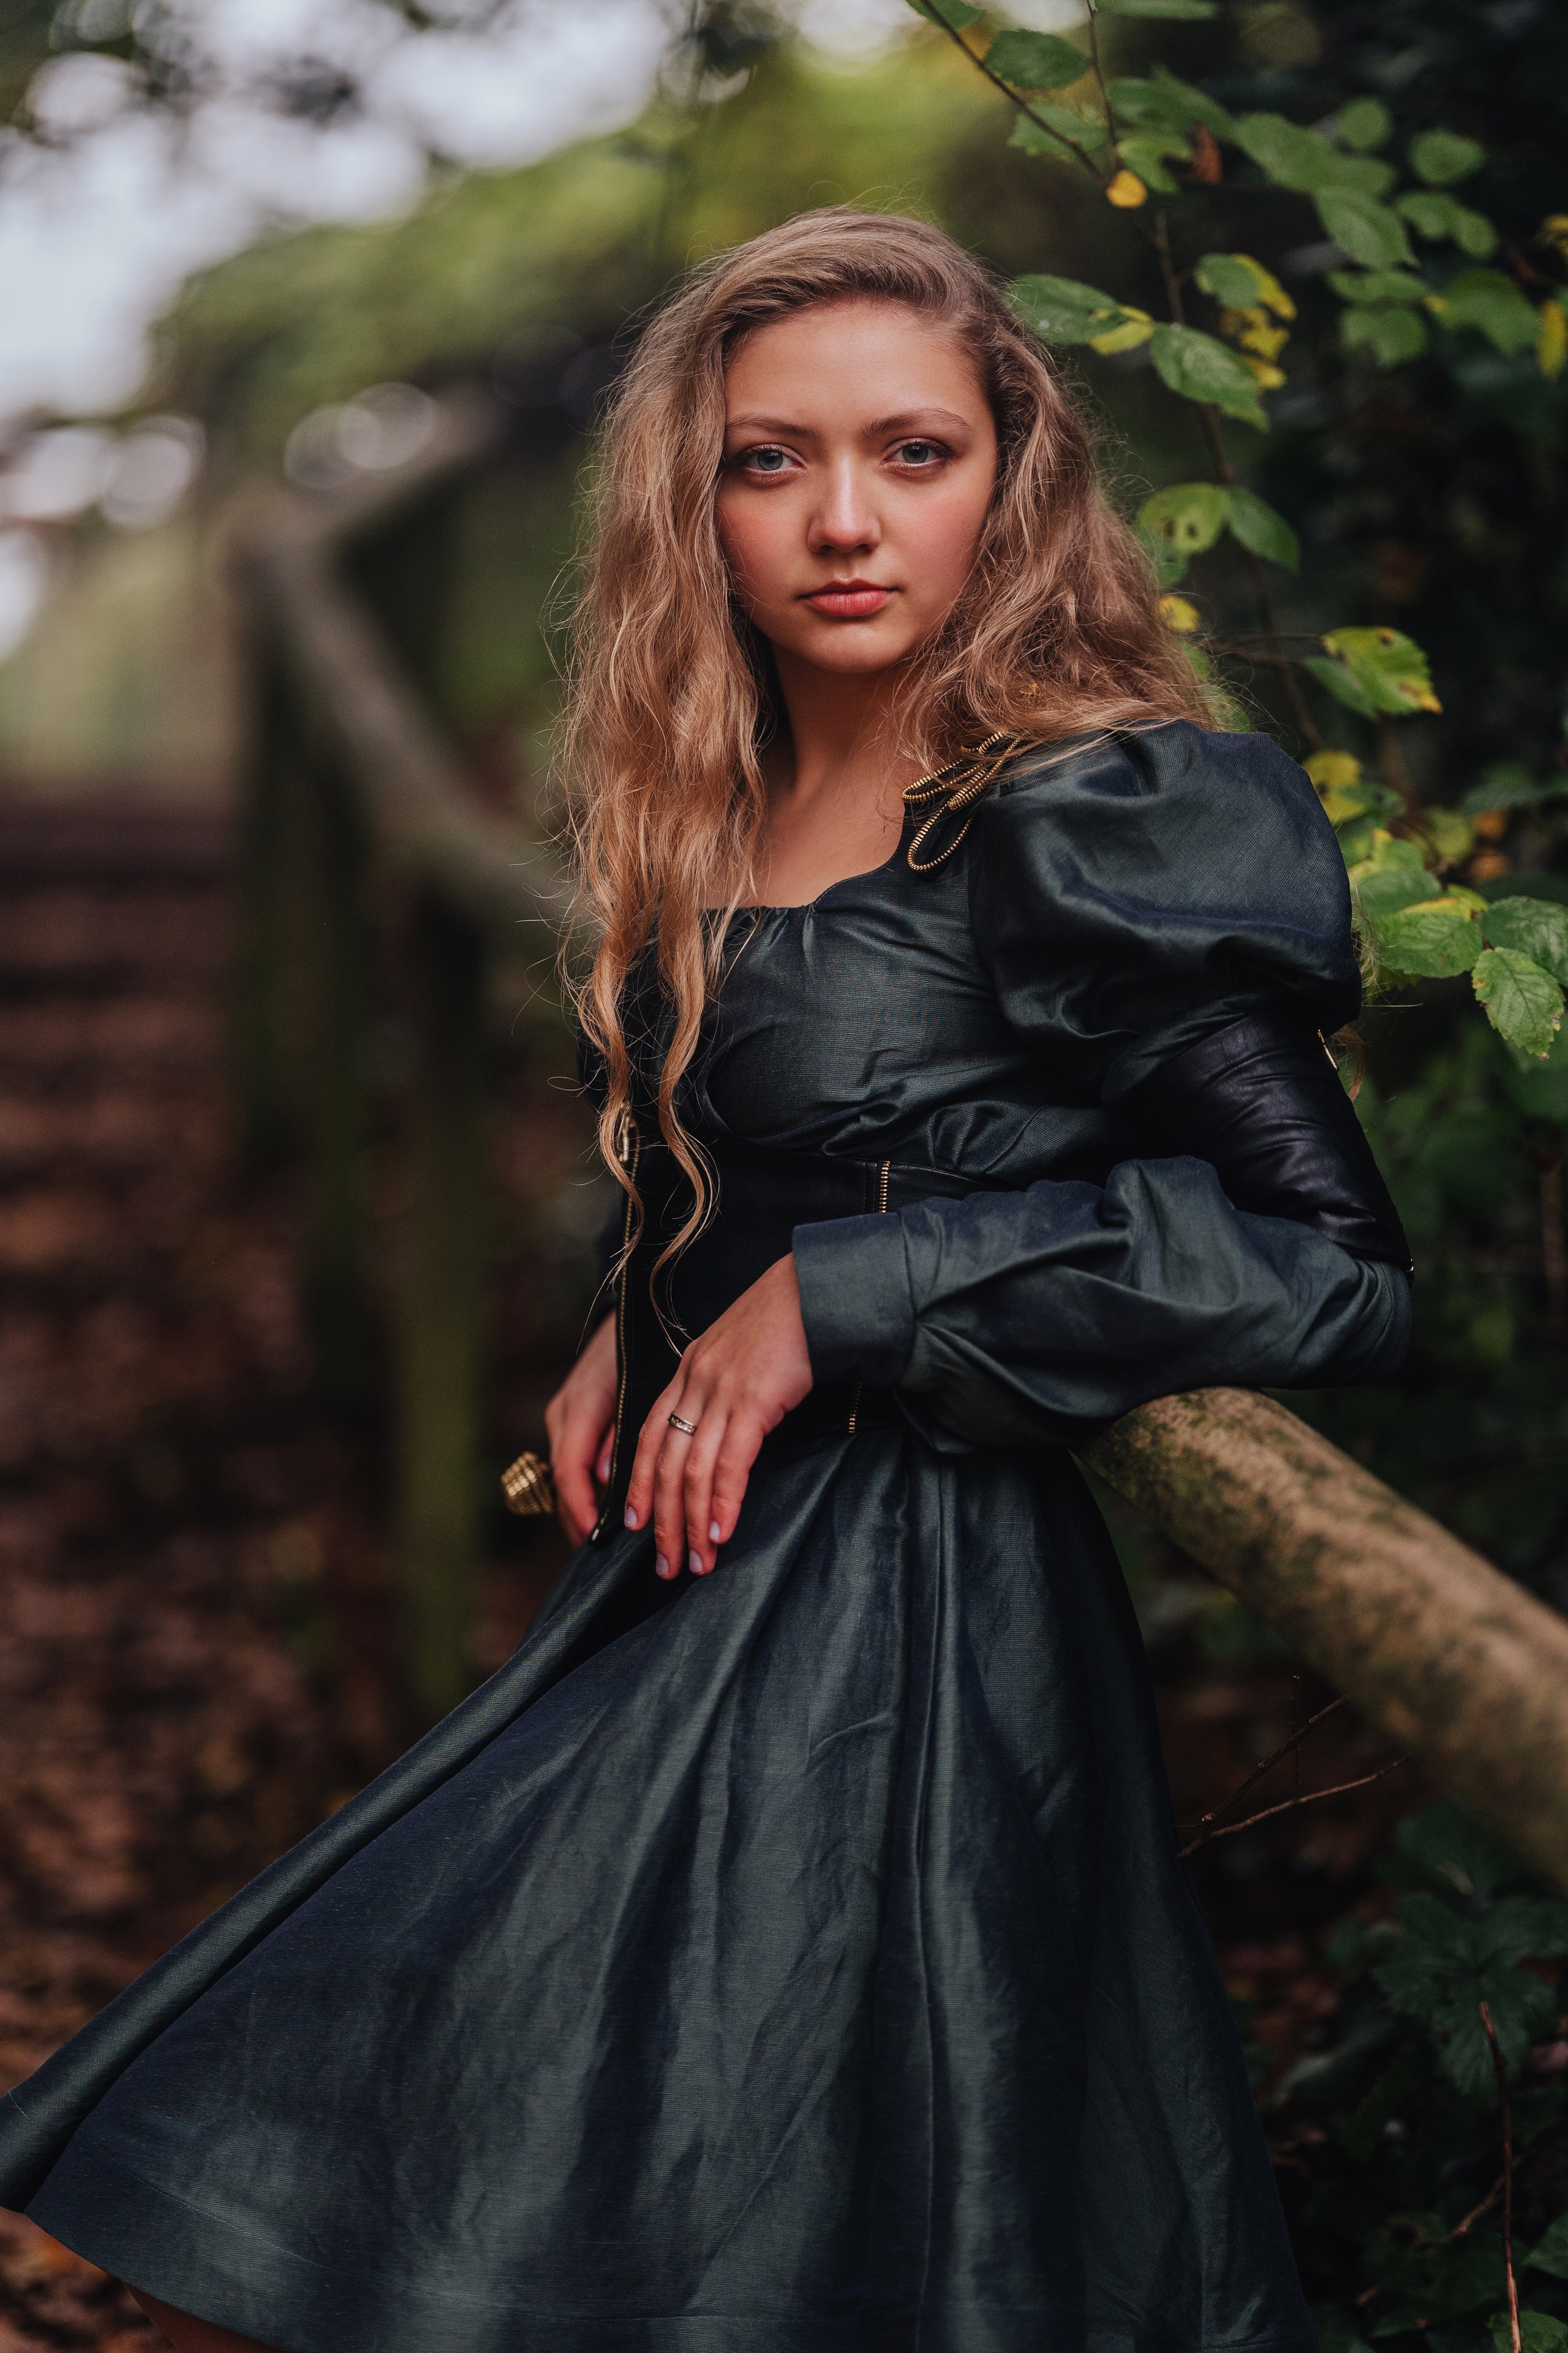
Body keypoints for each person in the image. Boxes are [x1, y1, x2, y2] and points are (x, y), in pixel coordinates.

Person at [0, 209, 1410, 2353]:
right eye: (773, 460)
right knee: (427, 2179)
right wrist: (647, 1301)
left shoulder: (1091, 806)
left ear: (1014, 477)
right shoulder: (710, 785)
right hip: (681, 1578)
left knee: (548, 2201)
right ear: (697, 495)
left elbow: (1333, 1262)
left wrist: (845, 1297)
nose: (845, 520)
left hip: (908, 1638)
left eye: (915, 453)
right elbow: (796, 1130)